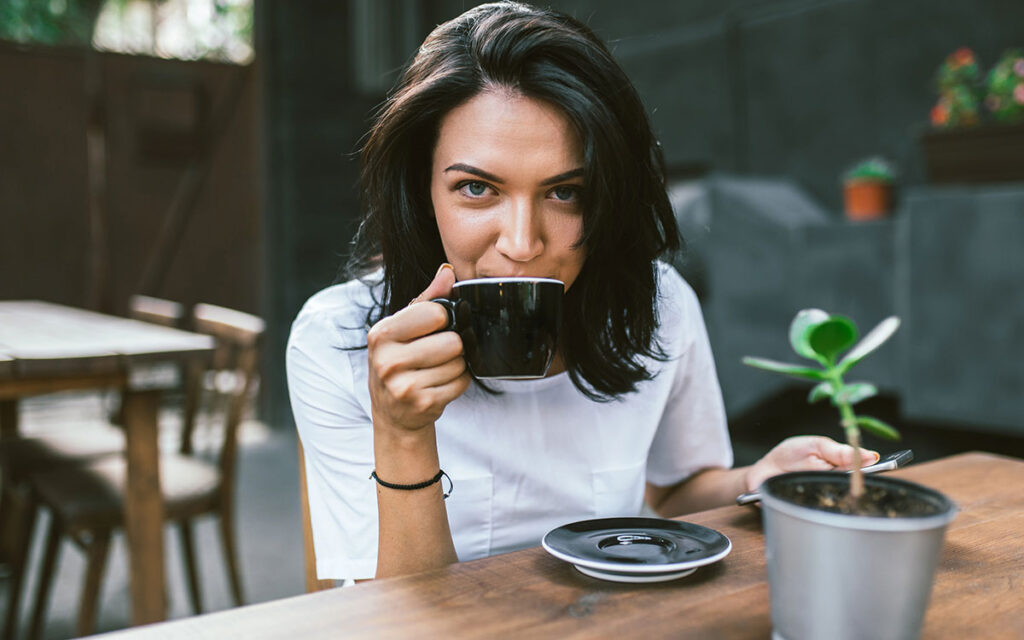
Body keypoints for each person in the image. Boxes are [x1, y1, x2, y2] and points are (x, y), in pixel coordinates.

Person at [287, 1, 877, 581]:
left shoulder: (659, 308)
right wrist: (402, 433)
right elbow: (393, 617)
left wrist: (756, 482)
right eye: (476, 189)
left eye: (564, 193)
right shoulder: (339, 339)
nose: (521, 243)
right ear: (422, 192)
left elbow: (676, 492)